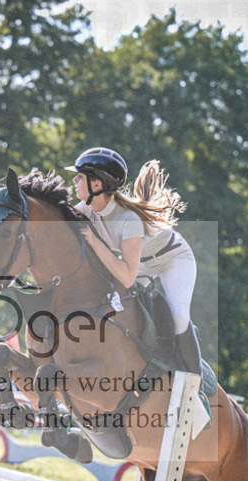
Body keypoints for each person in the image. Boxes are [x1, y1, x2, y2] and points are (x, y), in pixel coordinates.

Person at [66, 147, 199, 373]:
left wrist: (93, 240)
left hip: (172, 258)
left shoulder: (129, 219)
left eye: (80, 176)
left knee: (178, 318)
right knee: (112, 308)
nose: (74, 180)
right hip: (140, 263)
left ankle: (194, 379)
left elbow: (127, 277)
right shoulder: (87, 209)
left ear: (97, 185)